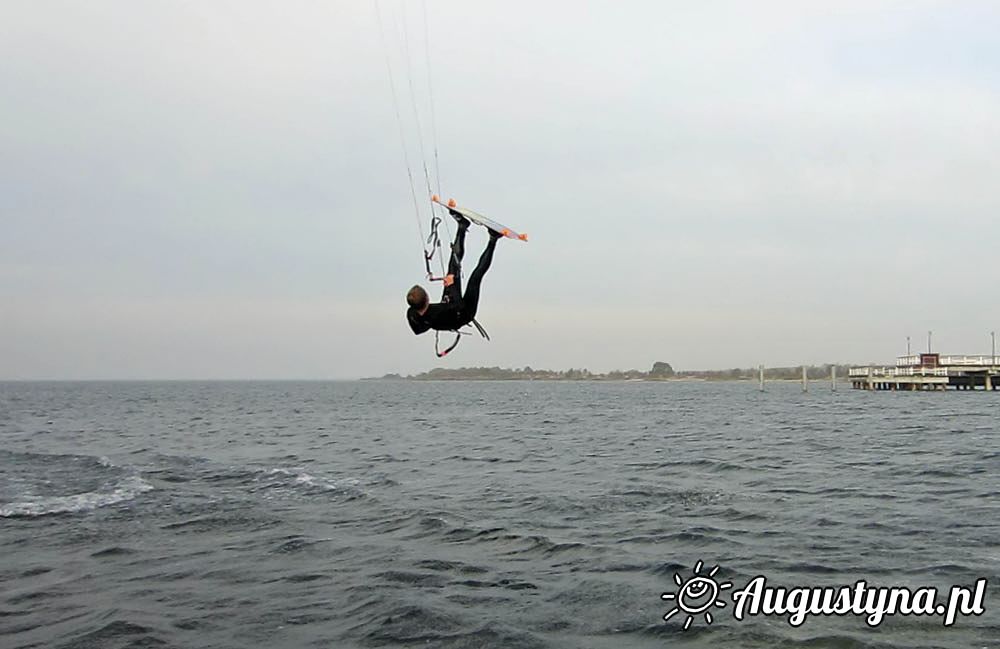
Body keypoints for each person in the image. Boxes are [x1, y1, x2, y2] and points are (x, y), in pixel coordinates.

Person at [406, 210, 501, 335]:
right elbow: (460, 306)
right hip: (464, 313)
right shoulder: (436, 315)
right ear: (427, 299)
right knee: (475, 278)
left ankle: (462, 226)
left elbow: (417, 330)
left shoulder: (412, 313)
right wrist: (451, 286)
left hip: (449, 306)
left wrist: (450, 285)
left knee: (453, 266)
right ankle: (493, 238)